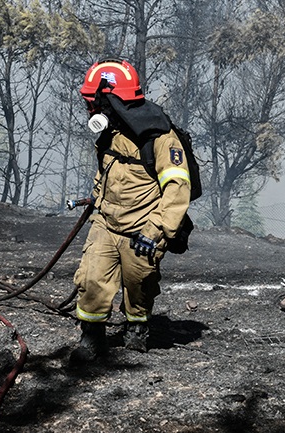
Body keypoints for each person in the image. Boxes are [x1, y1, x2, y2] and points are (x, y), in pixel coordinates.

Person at [71, 59, 193, 362]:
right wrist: (97, 199)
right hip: (107, 223)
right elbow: (107, 170)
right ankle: (92, 338)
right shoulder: (111, 132)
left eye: (93, 102)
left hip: (144, 229)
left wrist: (156, 231)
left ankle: (137, 328)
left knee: (139, 285)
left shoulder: (161, 139)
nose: (91, 110)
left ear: (111, 100)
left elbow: (178, 189)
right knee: (92, 280)